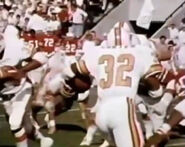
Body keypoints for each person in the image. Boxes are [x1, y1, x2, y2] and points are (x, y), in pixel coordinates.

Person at [63, 39, 164, 147]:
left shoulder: (102, 53)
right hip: (120, 94)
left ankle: (147, 133)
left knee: (141, 112)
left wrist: (69, 84)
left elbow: (73, 70)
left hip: (117, 93)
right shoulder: (137, 53)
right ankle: (92, 138)